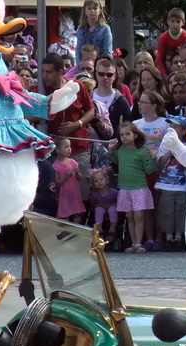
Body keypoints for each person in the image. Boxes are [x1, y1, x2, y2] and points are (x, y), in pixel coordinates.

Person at [41, 52, 95, 201]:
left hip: (79, 148)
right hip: (54, 152)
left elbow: (91, 110)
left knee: (82, 191)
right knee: (57, 195)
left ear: (60, 72)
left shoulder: (77, 86)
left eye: (49, 72)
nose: (45, 76)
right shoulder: (39, 89)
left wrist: (77, 124)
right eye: (43, 71)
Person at [108, 120, 158, 253]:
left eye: (127, 134)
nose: (124, 137)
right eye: (122, 135)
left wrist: (153, 157)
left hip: (139, 188)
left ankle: (138, 243)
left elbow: (149, 170)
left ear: (135, 135)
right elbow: (116, 161)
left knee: (139, 215)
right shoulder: (120, 150)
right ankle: (134, 243)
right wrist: (111, 151)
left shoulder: (142, 151)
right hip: (125, 188)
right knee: (129, 217)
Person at [154, 116, 186, 251]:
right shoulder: (164, 146)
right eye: (171, 127)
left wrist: (178, 149)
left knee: (181, 210)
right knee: (166, 211)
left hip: (182, 185)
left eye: (176, 127)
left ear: (183, 131)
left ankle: (179, 237)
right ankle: (169, 237)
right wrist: (171, 149)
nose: (172, 130)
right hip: (166, 184)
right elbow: (160, 163)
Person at [52, 136, 86, 224]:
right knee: (65, 219)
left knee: (77, 217)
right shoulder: (55, 166)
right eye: (66, 147)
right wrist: (67, 176)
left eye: (70, 147)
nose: (69, 149)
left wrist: (78, 173)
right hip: (64, 196)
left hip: (74, 195)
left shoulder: (73, 162)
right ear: (58, 150)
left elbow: (79, 178)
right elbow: (56, 183)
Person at [91, 56, 132, 130]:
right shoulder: (89, 98)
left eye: (109, 75)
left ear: (114, 76)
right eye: (101, 74)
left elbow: (128, 126)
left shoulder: (121, 101)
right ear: (96, 75)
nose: (105, 77)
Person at [75, 0, 112, 65]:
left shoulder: (105, 29)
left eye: (95, 8)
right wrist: (79, 67)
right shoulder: (80, 29)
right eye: (89, 8)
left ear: (100, 11)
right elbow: (78, 52)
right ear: (85, 11)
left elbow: (107, 52)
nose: (92, 11)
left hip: (100, 65)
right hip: (84, 65)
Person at [155, 8, 186, 75]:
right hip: (167, 70)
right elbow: (159, 58)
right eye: (172, 21)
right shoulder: (163, 38)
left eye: (178, 22)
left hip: (184, 69)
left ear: (183, 23)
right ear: (168, 21)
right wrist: (164, 74)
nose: (175, 24)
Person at [88, 166, 119, 243]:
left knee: (112, 209)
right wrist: (100, 205)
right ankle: (99, 229)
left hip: (113, 211)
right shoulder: (94, 195)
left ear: (107, 180)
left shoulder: (114, 192)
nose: (99, 182)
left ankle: (112, 229)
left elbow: (119, 203)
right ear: (93, 184)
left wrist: (110, 205)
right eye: (96, 181)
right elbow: (92, 205)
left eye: (101, 179)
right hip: (101, 211)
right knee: (98, 209)